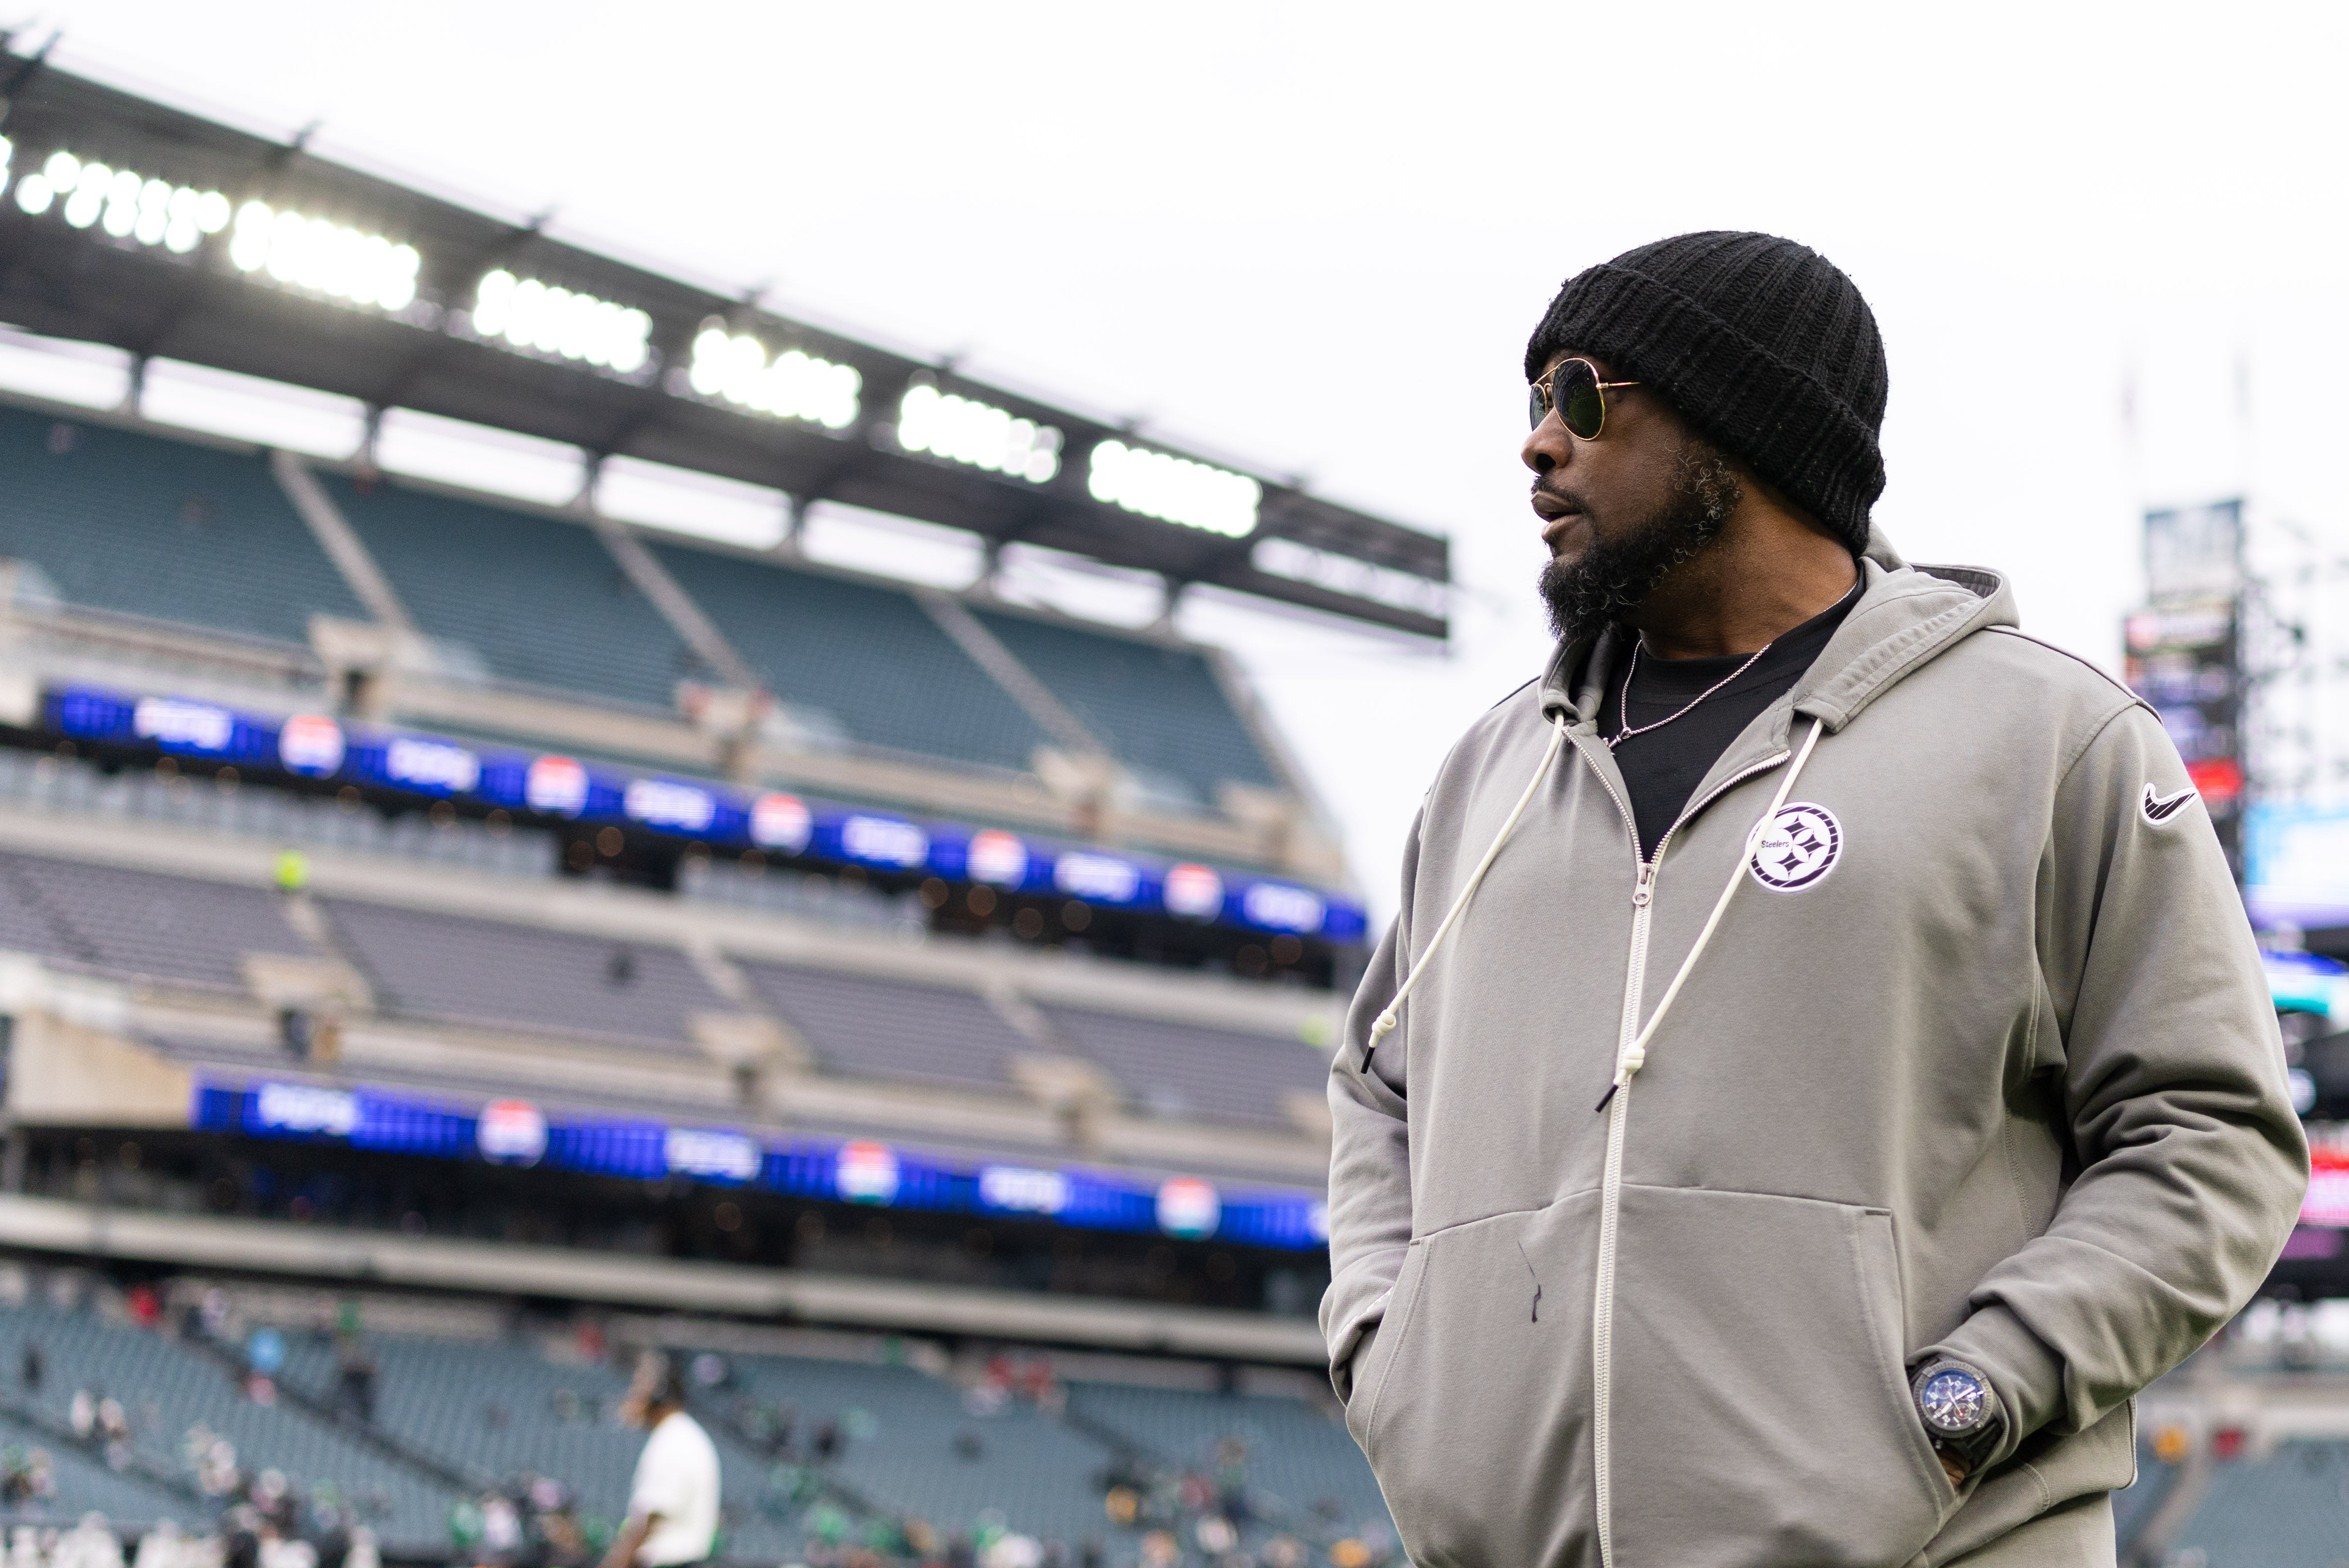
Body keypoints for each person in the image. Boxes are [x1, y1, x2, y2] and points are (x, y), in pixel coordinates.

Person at [1320, 230, 2310, 1567]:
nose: (1537, 446)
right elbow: (1376, 1091)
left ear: (1740, 428)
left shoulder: (2047, 740)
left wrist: (1970, 1399)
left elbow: (2211, 1139)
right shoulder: (1488, 774)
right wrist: (1392, 1367)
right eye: (1531, 405)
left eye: (1581, 396)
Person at [598, 1353, 718, 1568]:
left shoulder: (674, 1440)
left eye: (639, 1387)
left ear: (659, 1394)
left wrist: (615, 1563)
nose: (633, 1395)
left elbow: (651, 1519)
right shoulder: (683, 1433)